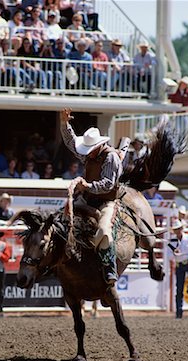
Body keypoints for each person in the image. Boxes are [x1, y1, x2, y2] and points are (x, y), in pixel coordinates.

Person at [60, 107, 122, 285]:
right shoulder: (90, 155)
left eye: (89, 149)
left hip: (106, 200)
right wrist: (65, 124)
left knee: (104, 230)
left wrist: (86, 185)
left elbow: (108, 185)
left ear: (98, 146)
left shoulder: (111, 158)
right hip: (87, 198)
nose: (86, 153)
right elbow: (71, 142)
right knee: (62, 219)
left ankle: (109, 267)